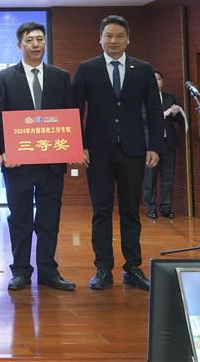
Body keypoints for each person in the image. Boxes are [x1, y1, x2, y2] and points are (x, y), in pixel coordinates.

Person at [72, 15, 163, 291]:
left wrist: (155, 145)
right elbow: (75, 110)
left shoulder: (143, 69)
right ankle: (103, 268)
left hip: (134, 149)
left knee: (131, 210)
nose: (114, 41)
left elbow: (155, 110)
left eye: (119, 36)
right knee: (101, 210)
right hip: (97, 151)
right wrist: (78, 145)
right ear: (99, 39)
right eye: (108, 36)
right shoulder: (86, 69)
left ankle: (133, 267)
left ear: (128, 39)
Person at [0, 22, 77, 292]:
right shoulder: (4, 77)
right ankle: (20, 271)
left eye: (40, 39)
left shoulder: (60, 77)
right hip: (18, 163)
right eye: (30, 40)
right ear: (20, 45)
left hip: (52, 163)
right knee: (20, 218)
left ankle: (48, 271)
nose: (36, 44)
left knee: (49, 219)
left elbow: (69, 115)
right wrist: (3, 151)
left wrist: (72, 147)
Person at [142, 71, 185, 220]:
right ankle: (150, 207)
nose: (156, 82)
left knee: (168, 178)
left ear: (163, 82)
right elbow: (144, 117)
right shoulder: (142, 98)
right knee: (149, 178)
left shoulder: (169, 98)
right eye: (153, 79)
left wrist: (175, 113)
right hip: (150, 144)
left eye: (159, 79)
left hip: (168, 143)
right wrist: (166, 113)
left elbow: (178, 120)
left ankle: (166, 207)